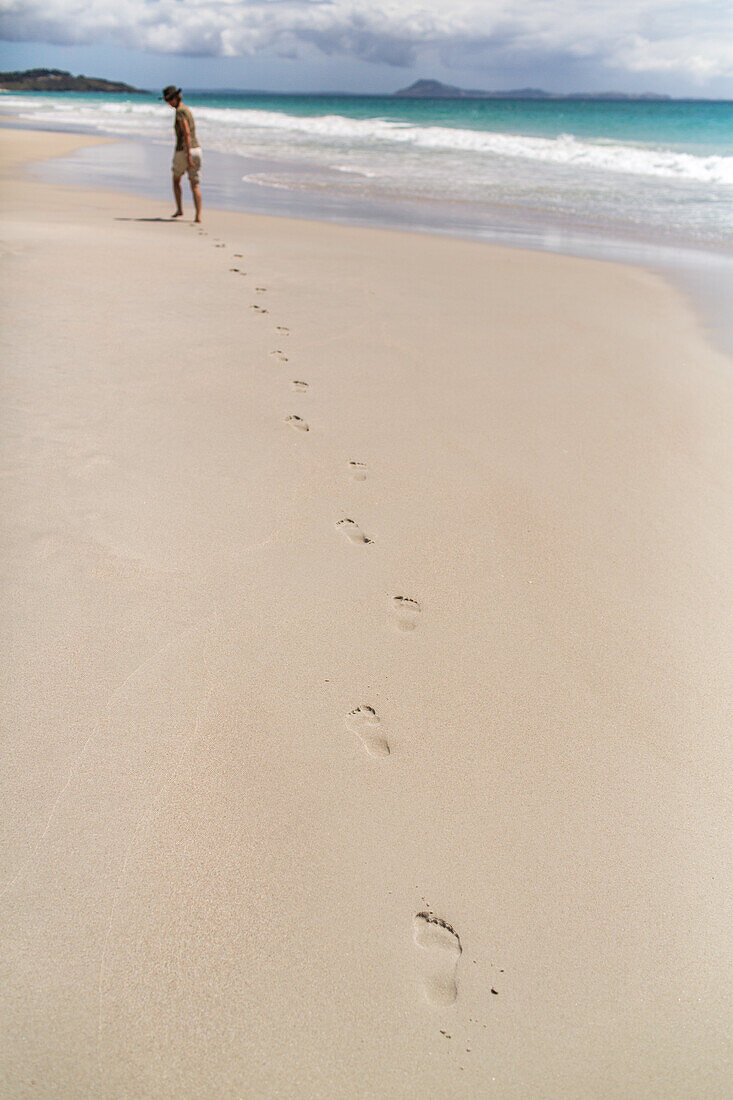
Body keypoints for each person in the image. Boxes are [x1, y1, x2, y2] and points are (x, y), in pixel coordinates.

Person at [161, 85, 202, 223]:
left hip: (184, 151)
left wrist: (188, 154)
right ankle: (198, 216)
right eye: (167, 100)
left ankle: (180, 209)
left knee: (176, 179)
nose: (168, 102)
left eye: (169, 99)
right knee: (194, 184)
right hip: (197, 149)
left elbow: (186, 133)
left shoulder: (180, 112)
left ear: (175, 98)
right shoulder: (187, 110)